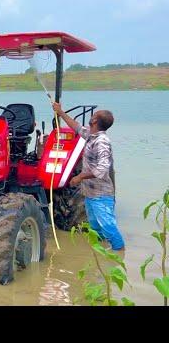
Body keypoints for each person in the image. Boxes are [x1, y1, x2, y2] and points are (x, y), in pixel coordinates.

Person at [51, 102, 125, 251]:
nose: (91, 116)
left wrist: (79, 177)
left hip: (101, 194)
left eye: (94, 115)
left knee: (108, 226)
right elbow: (76, 126)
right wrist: (60, 112)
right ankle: (99, 255)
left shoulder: (102, 142)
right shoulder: (91, 135)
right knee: (95, 227)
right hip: (90, 194)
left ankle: (120, 253)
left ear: (95, 121)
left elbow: (102, 170)